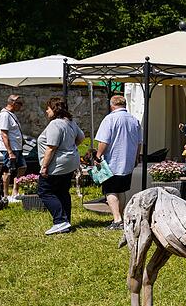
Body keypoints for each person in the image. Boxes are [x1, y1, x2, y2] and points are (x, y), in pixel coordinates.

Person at [37, 97, 85, 235]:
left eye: (48, 108)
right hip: (70, 162)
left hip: (57, 164)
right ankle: (66, 221)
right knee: (62, 191)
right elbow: (81, 137)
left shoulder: (55, 124)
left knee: (44, 191)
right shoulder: (70, 122)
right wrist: (70, 149)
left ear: (54, 109)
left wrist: (44, 167)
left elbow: (51, 147)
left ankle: (60, 221)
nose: (46, 111)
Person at [95, 95, 143, 230]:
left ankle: (117, 220)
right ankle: (120, 217)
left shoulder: (110, 119)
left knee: (110, 190)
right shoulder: (134, 120)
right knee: (121, 190)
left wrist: (98, 155)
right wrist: (135, 157)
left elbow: (104, 141)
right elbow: (139, 142)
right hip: (127, 160)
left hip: (113, 161)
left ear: (111, 105)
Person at [0, 94, 26, 202]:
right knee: (7, 171)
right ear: (13, 103)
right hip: (10, 149)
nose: (21, 106)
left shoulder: (12, 114)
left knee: (22, 167)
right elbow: (4, 134)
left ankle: (15, 192)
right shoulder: (4, 115)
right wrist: (9, 152)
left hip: (17, 148)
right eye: (20, 104)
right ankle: (5, 195)